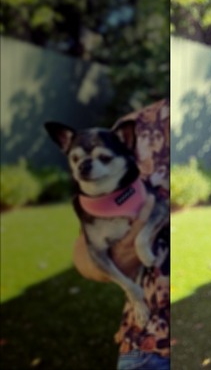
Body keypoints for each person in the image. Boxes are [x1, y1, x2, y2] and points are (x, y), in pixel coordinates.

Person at [73, 99, 170, 370]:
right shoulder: (130, 128)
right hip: (145, 337)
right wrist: (132, 248)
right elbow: (84, 257)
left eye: (103, 158)